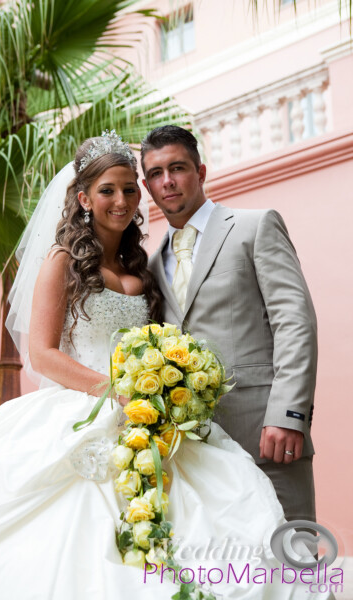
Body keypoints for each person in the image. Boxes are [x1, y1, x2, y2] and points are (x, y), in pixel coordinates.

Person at [0, 132, 323, 600]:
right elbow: (43, 354)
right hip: (91, 408)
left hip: (166, 418)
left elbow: (291, 320)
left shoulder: (144, 265)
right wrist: (118, 393)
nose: (122, 200)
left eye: (129, 189)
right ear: (83, 198)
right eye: (108, 190)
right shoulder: (62, 261)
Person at [142, 125, 317, 524]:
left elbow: (295, 322)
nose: (167, 181)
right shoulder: (151, 265)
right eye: (155, 173)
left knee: (290, 553)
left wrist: (288, 414)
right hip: (193, 449)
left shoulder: (255, 227)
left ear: (200, 172)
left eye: (177, 168)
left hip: (266, 435)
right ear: (148, 186)